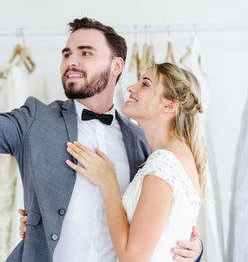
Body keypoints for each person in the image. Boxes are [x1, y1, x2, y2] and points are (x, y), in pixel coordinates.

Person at [0, 12, 203, 261]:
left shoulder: (140, 141)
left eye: (85, 53)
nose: (71, 62)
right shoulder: (35, 119)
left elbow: (160, 224)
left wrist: (195, 251)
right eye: (66, 54)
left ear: (116, 66)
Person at [19, 63, 205, 261]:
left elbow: (132, 258)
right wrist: (43, 221)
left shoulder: (164, 162)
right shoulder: (178, 156)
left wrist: (109, 185)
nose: (130, 88)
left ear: (169, 106)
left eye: (145, 84)